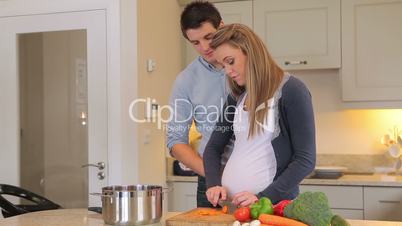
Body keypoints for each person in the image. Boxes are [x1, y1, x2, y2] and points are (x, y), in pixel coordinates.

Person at [203, 23, 316, 207]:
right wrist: (214, 184)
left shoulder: (292, 90)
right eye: (223, 65)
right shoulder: (237, 97)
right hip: (232, 207)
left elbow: (305, 160)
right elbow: (213, 148)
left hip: (271, 207)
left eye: (230, 61)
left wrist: (262, 197)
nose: (227, 71)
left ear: (250, 52)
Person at [166, 1, 233, 207]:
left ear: (221, 26)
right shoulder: (186, 80)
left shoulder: (247, 66)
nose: (204, 47)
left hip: (256, 176)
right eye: (195, 42)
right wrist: (213, 174)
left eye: (208, 37)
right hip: (211, 182)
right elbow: (175, 141)